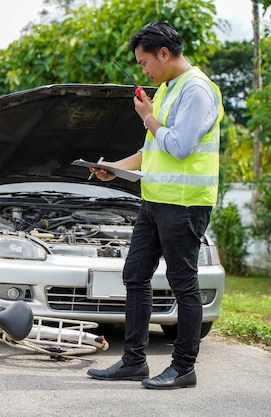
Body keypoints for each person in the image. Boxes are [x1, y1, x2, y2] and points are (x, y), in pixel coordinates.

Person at [86, 22, 223, 389]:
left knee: (183, 285)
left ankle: (183, 368)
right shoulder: (166, 89)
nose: (143, 70)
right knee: (135, 275)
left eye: (145, 62)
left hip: (184, 205)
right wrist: (114, 169)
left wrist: (146, 116)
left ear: (164, 53)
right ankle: (134, 362)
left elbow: (179, 146)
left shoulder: (196, 90)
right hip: (154, 201)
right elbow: (153, 149)